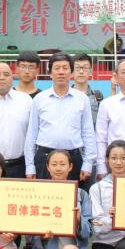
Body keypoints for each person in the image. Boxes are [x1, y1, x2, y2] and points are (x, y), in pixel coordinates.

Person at [27, 149, 92, 249]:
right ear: (48, 167)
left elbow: (88, 233)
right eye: (54, 164)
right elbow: (28, 232)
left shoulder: (81, 195)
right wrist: (41, 236)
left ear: (70, 167)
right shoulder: (37, 193)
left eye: (62, 164)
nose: (58, 168)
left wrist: (78, 220)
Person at [25, 53, 96, 183]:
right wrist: (30, 166)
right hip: (44, 158)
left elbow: (88, 133)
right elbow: (32, 134)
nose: (61, 72)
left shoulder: (82, 99)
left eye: (65, 68)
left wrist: (88, 163)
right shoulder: (39, 99)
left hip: (73, 158)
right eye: (57, 68)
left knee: (74, 196)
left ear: (71, 72)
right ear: (50, 73)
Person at [71, 53, 105, 124]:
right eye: (77, 68)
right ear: (72, 71)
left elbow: (102, 120)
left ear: (91, 71)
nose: (81, 71)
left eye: (85, 68)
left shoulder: (98, 95)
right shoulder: (66, 95)